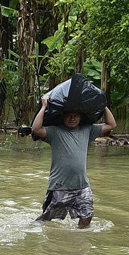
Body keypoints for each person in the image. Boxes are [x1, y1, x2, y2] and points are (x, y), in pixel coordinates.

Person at [30, 95, 117, 228]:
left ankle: (76, 241)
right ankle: (32, 227)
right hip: (61, 185)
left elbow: (112, 124)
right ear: (62, 117)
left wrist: (103, 105)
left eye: (76, 116)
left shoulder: (87, 130)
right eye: (69, 115)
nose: (72, 119)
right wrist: (43, 107)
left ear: (80, 117)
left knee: (87, 217)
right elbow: (35, 129)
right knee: (48, 217)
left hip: (82, 185)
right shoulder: (55, 131)